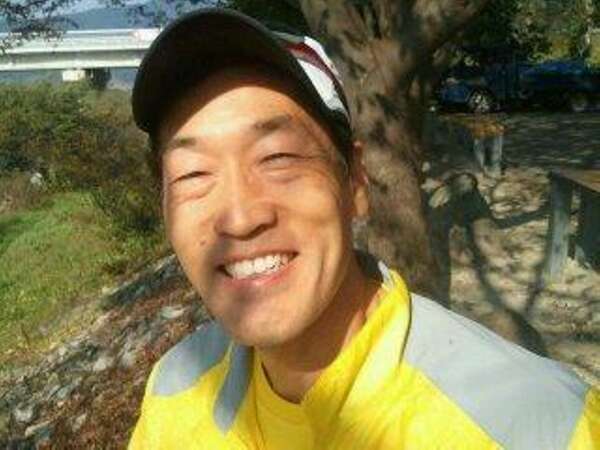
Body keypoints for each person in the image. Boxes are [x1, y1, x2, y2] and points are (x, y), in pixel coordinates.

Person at [128, 8, 599, 450]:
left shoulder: (537, 427)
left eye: (278, 157)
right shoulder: (173, 393)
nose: (240, 217)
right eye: (192, 174)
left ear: (355, 181)